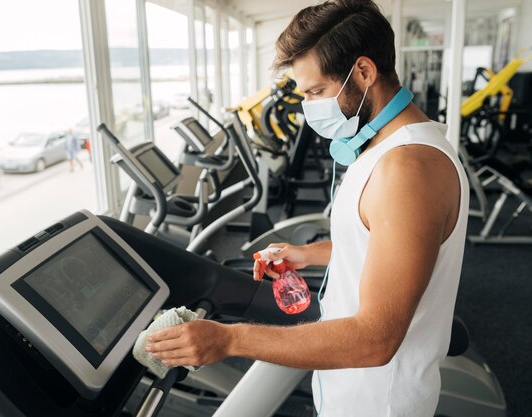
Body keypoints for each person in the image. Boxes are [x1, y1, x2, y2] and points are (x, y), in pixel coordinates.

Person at [145, 1, 470, 416]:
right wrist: (308, 253)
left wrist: (229, 340)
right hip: (350, 387)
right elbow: (385, 248)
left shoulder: (408, 168)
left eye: (317, 92)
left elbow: (375, 339)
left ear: (365, 72)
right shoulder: (390, 149)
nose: (311, 106)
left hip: (377, 402)